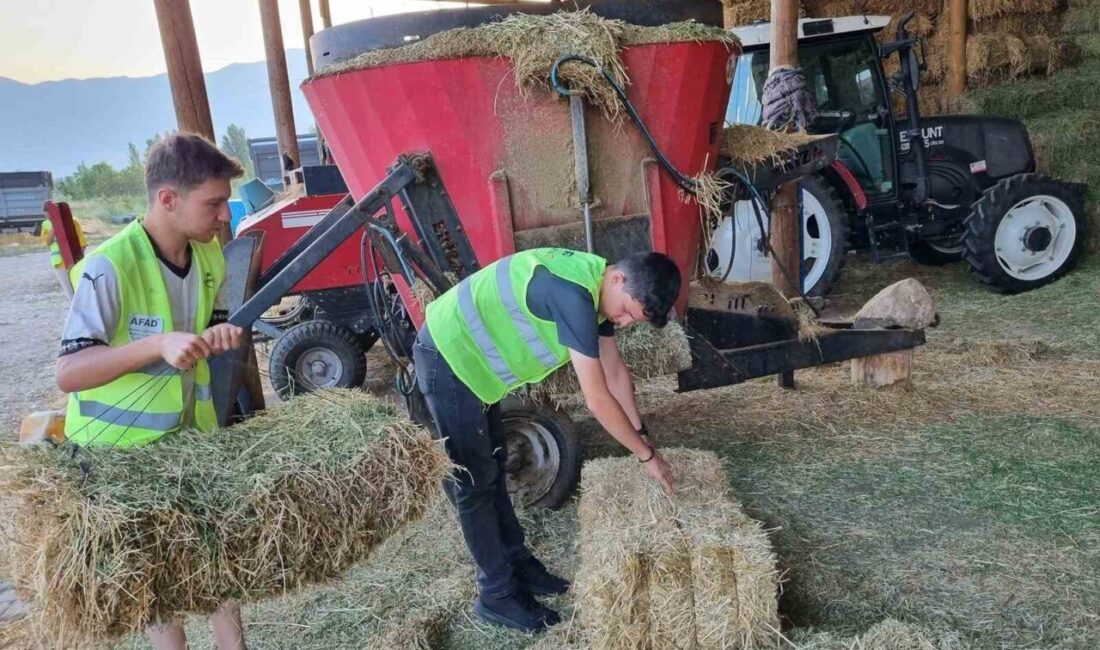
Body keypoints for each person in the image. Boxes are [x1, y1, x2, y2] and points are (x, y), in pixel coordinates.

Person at [412, 247, 681, 633]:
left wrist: (641, 435)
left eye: (630, 321)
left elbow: (616, 373)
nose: (622, 322)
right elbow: (597, 398)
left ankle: (518, 565)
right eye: (625, 312)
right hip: (449, 356)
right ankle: (496, 595)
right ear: (619, 278)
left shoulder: (595, 287)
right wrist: (645, 457)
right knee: (474, 484)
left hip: (475, 367)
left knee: (493, 466)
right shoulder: (571, 295)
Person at [55, 133, 248, 650]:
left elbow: (205, 331)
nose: (224, 216)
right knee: (160, 593)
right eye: (214, 203)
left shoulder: (209, 259)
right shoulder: (108, 267)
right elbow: (69, 372)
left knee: (218, 567)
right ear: (168, 199)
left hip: (190, 445)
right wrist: (157, 345)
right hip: (123, 463)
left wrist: (214, 338)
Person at [40, 213, 87, 299]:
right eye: (46, 214)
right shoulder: (46, 224)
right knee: (71, 295)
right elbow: (48, 242)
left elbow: (82, 244)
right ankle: (76, 310)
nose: (48, 216)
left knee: (82, 291)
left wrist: (77, 261)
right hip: (60, 265)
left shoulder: (73, 221)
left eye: (50, 213)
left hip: (74, 263)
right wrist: (54, 225)